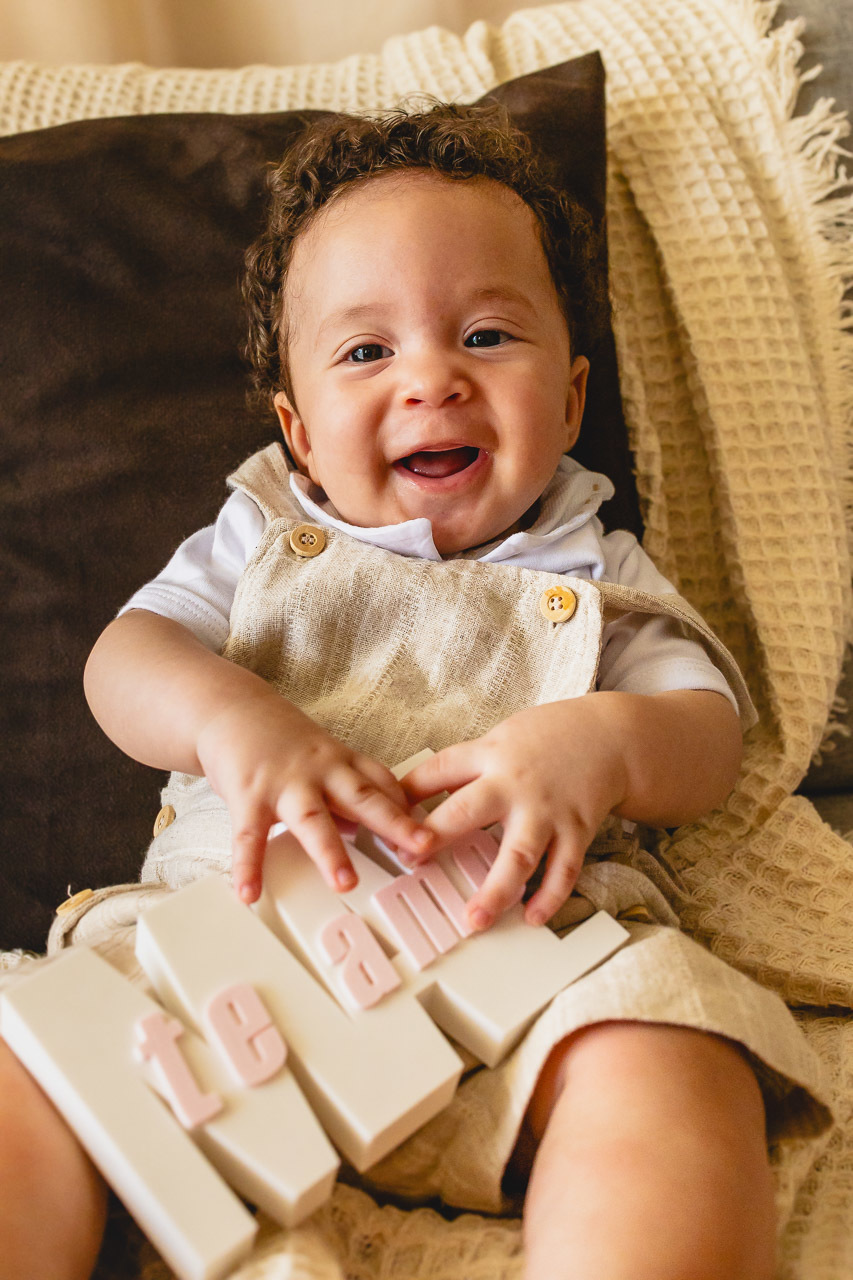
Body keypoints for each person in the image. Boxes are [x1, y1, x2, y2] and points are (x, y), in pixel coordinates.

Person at [0, 103, 827, 1280]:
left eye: (487, 335)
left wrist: (597, 739)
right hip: (220, 965)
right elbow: (123, 662)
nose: (432, 377)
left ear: (574, 396)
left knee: (670, 1054)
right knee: (35, 1058)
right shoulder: (259, 532)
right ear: (296, 430)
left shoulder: (591, 565)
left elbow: (705, 739)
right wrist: (238, 720)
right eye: (365, 351)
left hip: (530, 976)